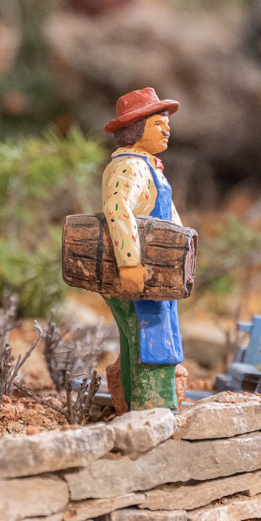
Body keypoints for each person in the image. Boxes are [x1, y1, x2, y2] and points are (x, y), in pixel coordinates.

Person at [99, 89, 191, 410]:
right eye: (158, 124)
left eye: (167, 124)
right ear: (136, 129)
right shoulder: (130, 167)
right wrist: (129, 263)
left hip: (157, 273)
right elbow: (117, 208)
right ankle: (154, 409)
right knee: (152, 341)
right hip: (141, 275)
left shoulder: (149, 167)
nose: (167, 130)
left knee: (140, 339)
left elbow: (170, 219)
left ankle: (132, 403)